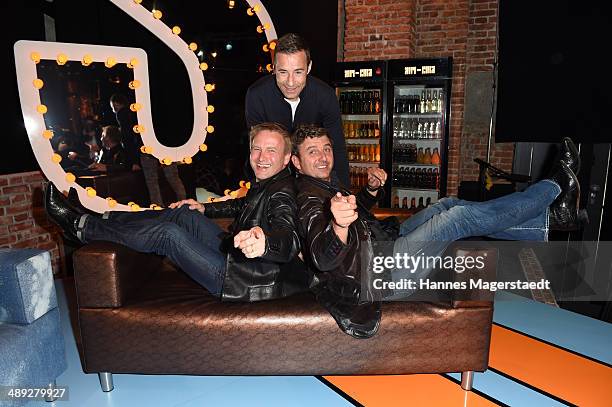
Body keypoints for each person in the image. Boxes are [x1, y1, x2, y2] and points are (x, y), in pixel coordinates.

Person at [290, 126, 582, 338]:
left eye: (326, 148)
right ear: (296, 161)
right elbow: (323, 253)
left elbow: (356, 214)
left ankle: (552, 219)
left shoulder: (325, 183)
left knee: (447, 204)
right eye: (312, 152)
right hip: (385, 272)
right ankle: (554, 188)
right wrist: (338, 226)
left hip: (386, 239)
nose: (323, 157)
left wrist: (370, 191)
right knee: (456, 219)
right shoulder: (308, 199)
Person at [45, 123, 307, 301]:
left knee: (168, 234)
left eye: (271, 150)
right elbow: (243, 205)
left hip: (242, 280)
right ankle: (100, 216)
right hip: (238, 258)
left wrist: (266, 243)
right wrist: (204, 207)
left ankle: (81, 227)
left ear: (286, 158)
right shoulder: (269, 181)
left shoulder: (284, 192)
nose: (261, 156)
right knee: (184, 213)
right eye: (257, 148)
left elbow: (287, 235)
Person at [245, 33, 350, 186]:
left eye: (298, 72)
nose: (290, 82)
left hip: (314, 180)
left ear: (309, 68)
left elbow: (337, 148)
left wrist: (343, 193)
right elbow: (259, 151)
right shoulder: (257, 95)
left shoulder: (325, 96)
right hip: (272, 179)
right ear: (274, 68)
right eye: (283, 72)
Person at [110, 93, 187, 205]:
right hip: (163, 145)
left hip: (146, 148)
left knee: (152, 182)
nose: (113, 110)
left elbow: (128, 138)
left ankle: (158, 209)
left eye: (113, 107)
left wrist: (133, 160)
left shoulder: (123, 113)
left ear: (116, 104)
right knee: (173, 177)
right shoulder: (141, 109)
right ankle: (184, 203)